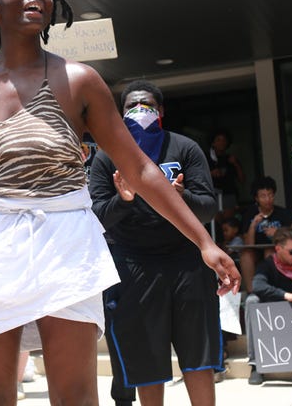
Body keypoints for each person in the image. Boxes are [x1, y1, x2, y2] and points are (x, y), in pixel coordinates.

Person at [0, 0, 239, 403]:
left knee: (76, 396)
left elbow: (140, 169)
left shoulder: (80, 80)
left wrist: (205, 242)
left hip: (64, 239)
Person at [88, 80, 220, 406]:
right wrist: (124, 200)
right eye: (132, 106)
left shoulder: (185, 148)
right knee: (148, 360)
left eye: (146, 105)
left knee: (198, 355)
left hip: (186, 260)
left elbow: (208, 206)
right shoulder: (107, 158)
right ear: (121, 114)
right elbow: (96, 218)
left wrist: (180, 196)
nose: (139, 111)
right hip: (134, 266)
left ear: (160, 111)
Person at [244, 227, 292, 386]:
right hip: (275, 316)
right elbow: (257, 285)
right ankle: (256, 365)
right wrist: (287, 295)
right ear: (278, 249)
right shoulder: (267, 265)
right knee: (251, 301)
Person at [240, 176, 292, 292]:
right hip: (256, 252)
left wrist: (278, 233)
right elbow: (248, 244)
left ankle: (272, 291)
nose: (268, 199)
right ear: (256, 198)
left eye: (270, 195)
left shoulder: (282, 213)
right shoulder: (250, 214)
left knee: (269, 252)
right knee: (245, 256)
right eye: (263, 196)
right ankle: (252, 292)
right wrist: (253, 225)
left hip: (277, 250)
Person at [206, 131, 244, 213]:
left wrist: (236, 164)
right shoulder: (206, 158)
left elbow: (242, 180)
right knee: (214, 222)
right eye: (218, 140)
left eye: (224, 140)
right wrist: (211, 173)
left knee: (228, 222)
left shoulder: (231, 158)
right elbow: (198, 176)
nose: (222, 143)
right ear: (213, 143)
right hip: (212, 195)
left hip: (229, 195)